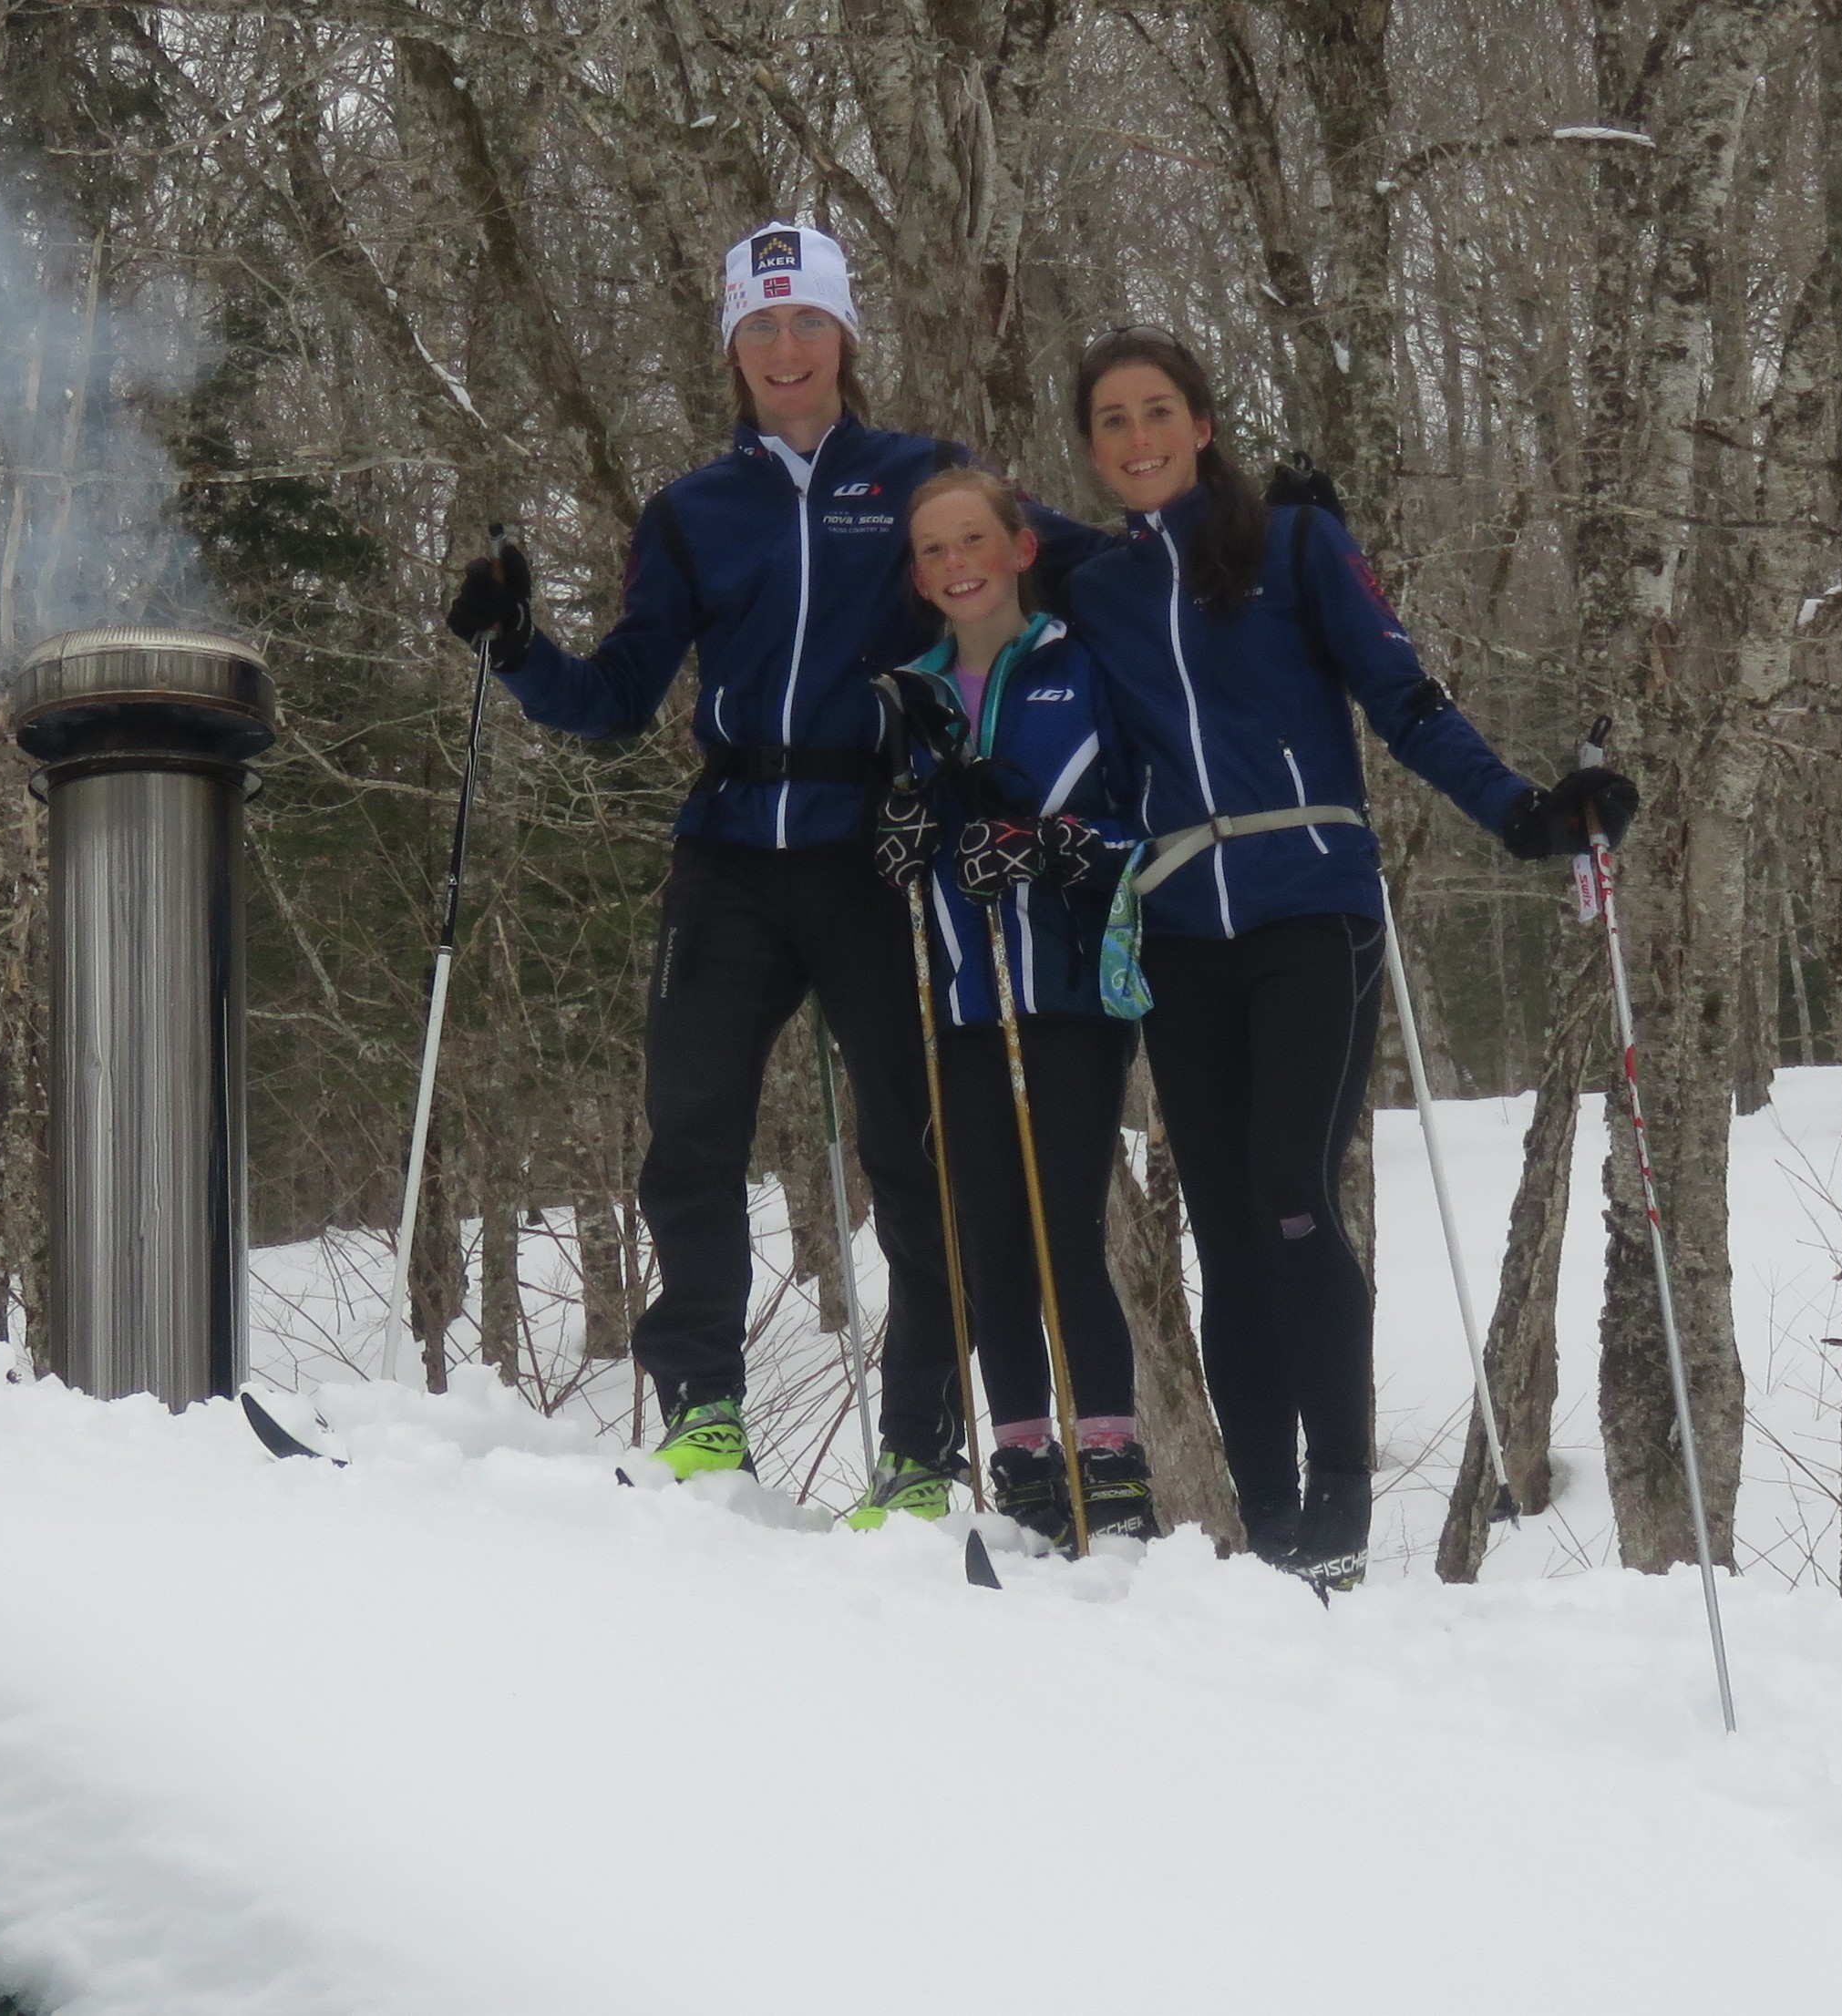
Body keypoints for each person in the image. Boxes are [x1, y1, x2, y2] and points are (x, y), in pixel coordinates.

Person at [443, 222, 1096, 1495]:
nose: (785, 349)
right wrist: (520, 646)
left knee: (914, 1155)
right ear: (732, 349)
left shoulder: (923, 477)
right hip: (731, 849)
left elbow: (1073, 571)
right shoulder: (693, 511)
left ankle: (915, 1447)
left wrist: (1224, 546)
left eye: (807, 323)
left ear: (845, 336)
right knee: (690, 1131)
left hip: (877, 850)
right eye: (760, 327)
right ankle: (701, 1415)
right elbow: (619, 693)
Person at [1059, 329, 1636, 1588]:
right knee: (1219, 1224)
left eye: (1159, 411)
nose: (1138, 437)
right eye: (1111, 421)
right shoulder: (1088, 582)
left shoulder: (1295, 546)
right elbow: (948, 548)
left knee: (1288, 1195)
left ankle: (1337, 1504)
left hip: (1309, 908)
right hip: (1177, 931)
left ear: (1204, 423)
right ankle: (1267, 1524)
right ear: (1092, 450)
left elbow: (1404, 698)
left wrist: (1525, 812)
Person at [859, 466, 1154, 1545]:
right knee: (989, 1238)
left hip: (1069, 993)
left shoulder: (1080, 666)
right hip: (965, 1000)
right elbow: (894, 829)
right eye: (932, 550)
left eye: (972, 540)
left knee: (1061, 1225)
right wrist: (898, 838)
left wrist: (1055, 847)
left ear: (1020, 548)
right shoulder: (909, 691)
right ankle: (1024, 1453)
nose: (955, 566)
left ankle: (1109, 1458)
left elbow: (1144, 818)